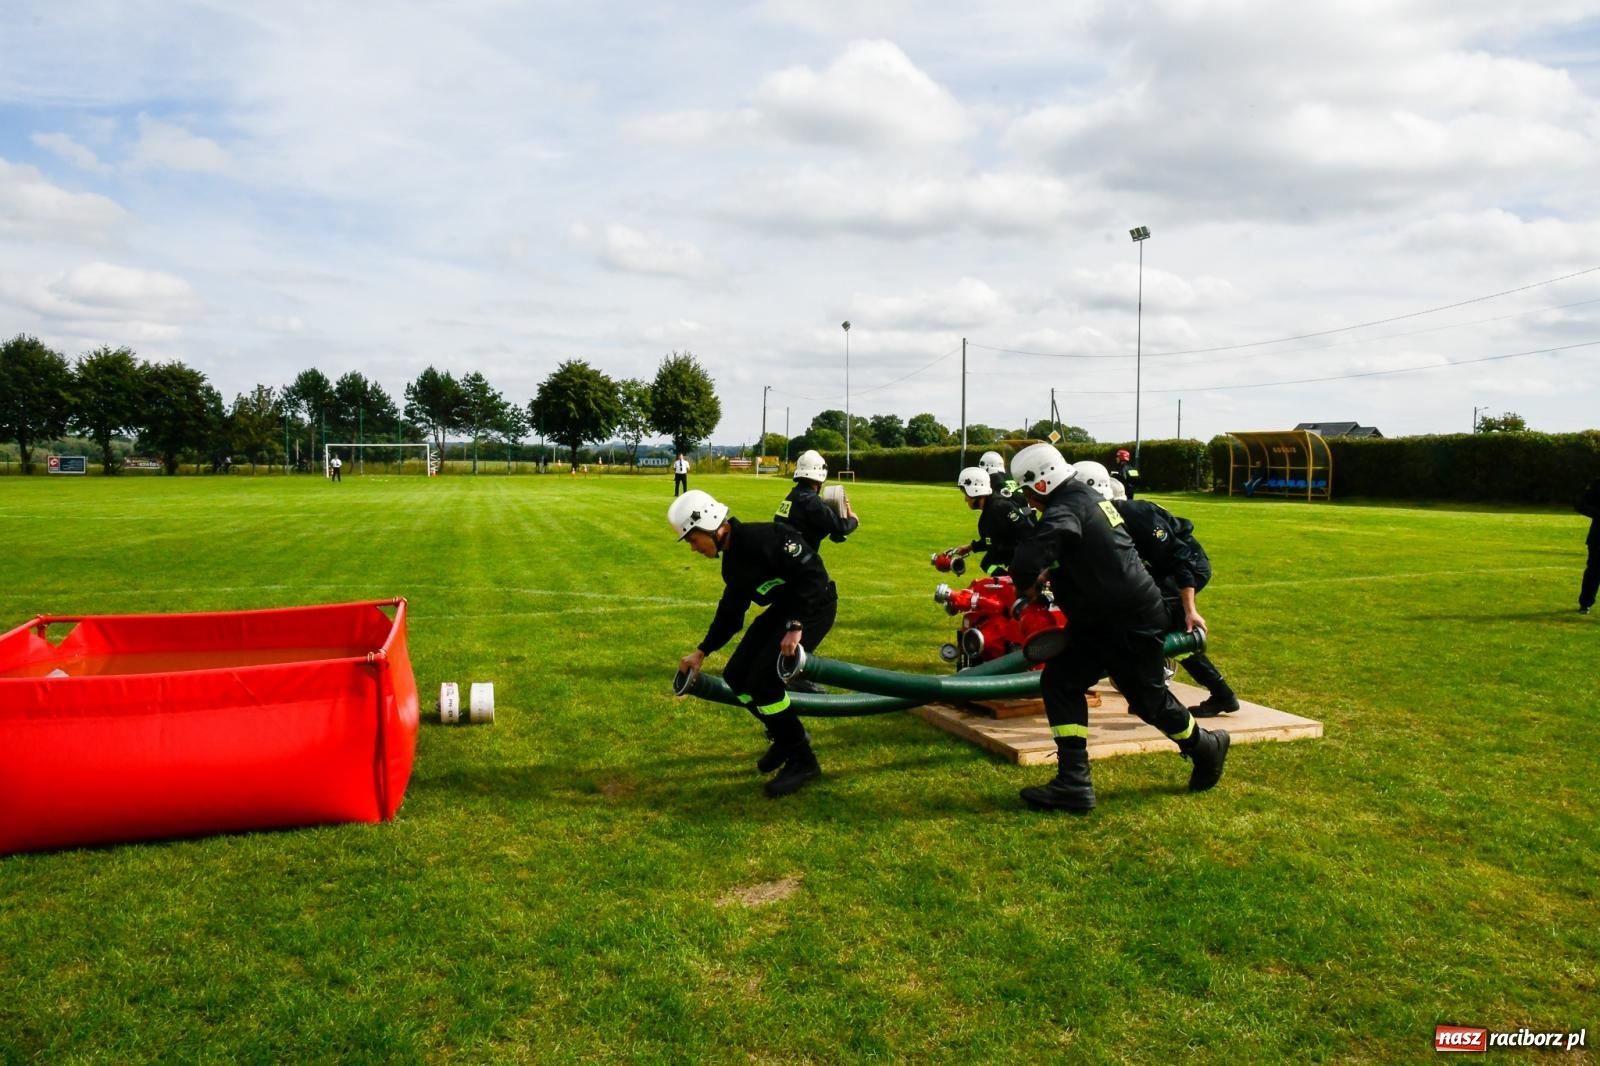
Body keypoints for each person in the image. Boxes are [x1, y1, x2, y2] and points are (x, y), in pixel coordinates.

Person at [1006, 443, 1229, 811]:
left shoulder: (1066, 507)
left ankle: (1206, 746)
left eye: (1028, 492)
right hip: (1102, 619)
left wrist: (1028, 584)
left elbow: (1027, 559)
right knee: (1061, 681)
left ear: (1042, 483)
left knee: (1149, 702)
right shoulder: (1084, 497)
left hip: (1126, 621)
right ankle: (1073, 781)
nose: (1028, 501)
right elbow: (1087, 551)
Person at [671, 490, 838, 796]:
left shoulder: (768, 538)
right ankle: (785, 736)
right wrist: (701, 651)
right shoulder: (732, 564)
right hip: (786, 610)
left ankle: (803, 760)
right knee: (736, 676)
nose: (693, 548)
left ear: (711, 525)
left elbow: (814, 576)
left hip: (815, 607)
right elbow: (730, 614)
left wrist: (795, 626)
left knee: (765, 682)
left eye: (693, 539)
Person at [1076, 461, 1239, 715]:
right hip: (1161, 569)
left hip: (1187, 567)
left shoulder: (1136, 513)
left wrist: (1190, 609)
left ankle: (1158, 690)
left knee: (1150, 625)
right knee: (1168, 631)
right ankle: (1219, 693)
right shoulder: (1099, 517)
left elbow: (1179, 559)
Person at [955, 466, 1035, 577]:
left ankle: (1010, 582)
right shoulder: (992, 506)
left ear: (975, 491)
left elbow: (1023, 531)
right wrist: (971, 547)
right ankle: (1007, 580)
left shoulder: (998, 508)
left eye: (966, 494)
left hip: (1024, 555)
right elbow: (992, 539)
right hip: (1013, 550)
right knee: (986, 563)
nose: (965, 499)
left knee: (991, 565)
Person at [775, 450, 858, 553]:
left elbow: (809, 526)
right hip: (797, 557)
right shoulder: (810, 501)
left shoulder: (792, 496)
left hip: (780, 554)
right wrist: (853, 520)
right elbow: (841, 527)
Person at [1578, 476, 1600, 615]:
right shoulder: (1597, 484)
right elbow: (1581, 505)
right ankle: (1585, 603)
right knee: (1594, 570)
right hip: (1599, 536)